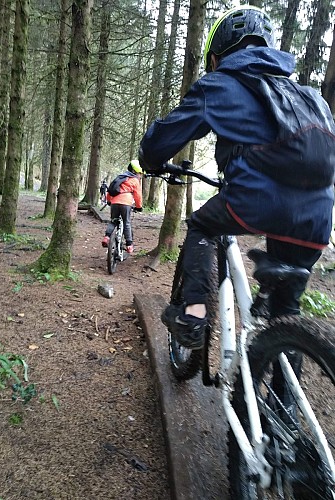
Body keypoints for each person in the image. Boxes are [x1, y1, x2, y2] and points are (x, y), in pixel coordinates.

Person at [139, 6, 334, 351]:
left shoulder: (219, 85)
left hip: (255, 203)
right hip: (316, 219)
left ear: (217, 56)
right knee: (286, 314)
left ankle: (194, 314)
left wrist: (149, 159)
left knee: (201, 226)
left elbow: (164, 139)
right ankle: (283, 404)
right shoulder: (309, 96)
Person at [101, 160, 143, 254]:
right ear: (135, 172)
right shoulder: (135, 181)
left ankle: (107, 237)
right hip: (126, 203)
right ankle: (129, 245)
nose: (140, 176)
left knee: (113, 221)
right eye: (140, 173)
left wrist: (108, 200)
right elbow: (138, 196)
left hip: (114, 202)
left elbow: (111, 190)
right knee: (126, 222)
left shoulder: (120, 178)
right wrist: (138, 207)